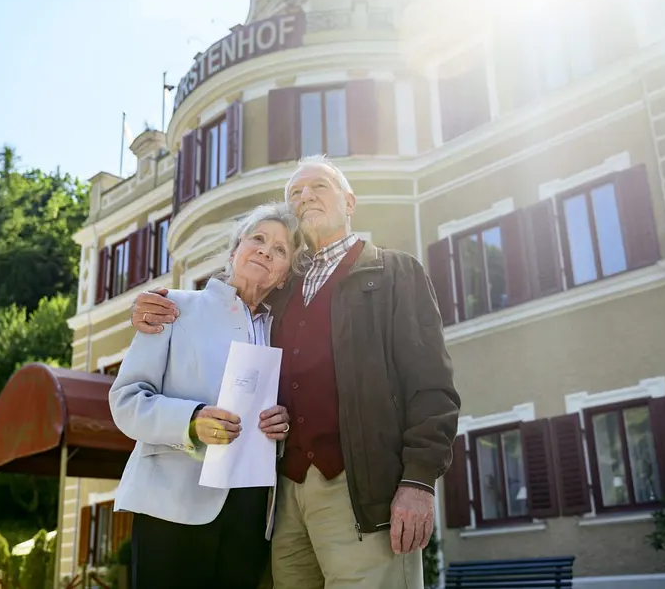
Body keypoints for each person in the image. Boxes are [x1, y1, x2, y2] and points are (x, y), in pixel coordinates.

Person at [130, 155, 461, 589]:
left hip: (362, 492)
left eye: (318, 187)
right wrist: (150, 306)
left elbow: (432, 387)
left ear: (349, 201)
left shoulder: (395, 273)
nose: (305, 197)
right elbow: (232, 299)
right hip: (283, 503)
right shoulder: (279, 296)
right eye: (295, 194)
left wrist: (419, 481)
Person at [109, 203, 307, 589]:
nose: (266, 250)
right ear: (235, 251)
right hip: (172, 507)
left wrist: (279, 423)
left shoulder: (278, 334)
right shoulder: (174, 308)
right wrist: (191, 420)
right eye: (258, 239)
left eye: (280, 250)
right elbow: (126, 401)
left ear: (284, 277)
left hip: (250, 516)